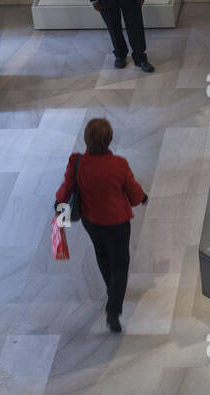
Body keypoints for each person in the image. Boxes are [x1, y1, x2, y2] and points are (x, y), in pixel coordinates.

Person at [55, 116, 148, 333]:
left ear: (86, 139)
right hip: (118, 222)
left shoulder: (76, 162)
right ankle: (113, 309)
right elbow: (133, 191)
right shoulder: (118, 164)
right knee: (121, 262)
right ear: (110, 140)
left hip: (92, 221)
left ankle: (110, 289)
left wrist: (59, 204)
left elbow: (66, 187)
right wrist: (142, 198)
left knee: (102, 254)